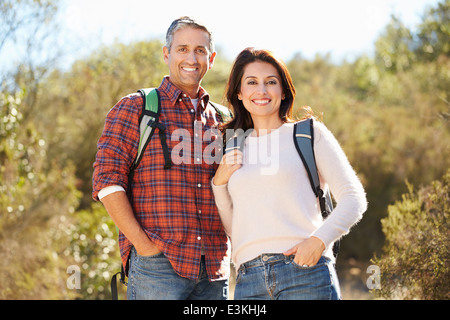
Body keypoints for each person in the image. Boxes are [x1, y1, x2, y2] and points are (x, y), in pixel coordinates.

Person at [212, 48, 367, 300]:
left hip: (304, 273)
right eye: (251, 82)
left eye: (270, 82)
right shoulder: (233, 145)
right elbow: (235, 229)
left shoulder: (308, 133)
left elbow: (354, 198)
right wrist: (218, 184)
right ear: (239, 93)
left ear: (283, 91)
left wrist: (318, 242)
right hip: (249, 282)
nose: (261, 90)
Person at [92, 17, 230, 300]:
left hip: (215, 270)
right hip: (158, 266)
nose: (191, 58)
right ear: (167, 54)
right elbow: (107, 183)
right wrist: (144, 247)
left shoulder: (224, 119)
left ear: (211, 58)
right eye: (182, 49)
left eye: (200, 50)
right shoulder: (136, 107)